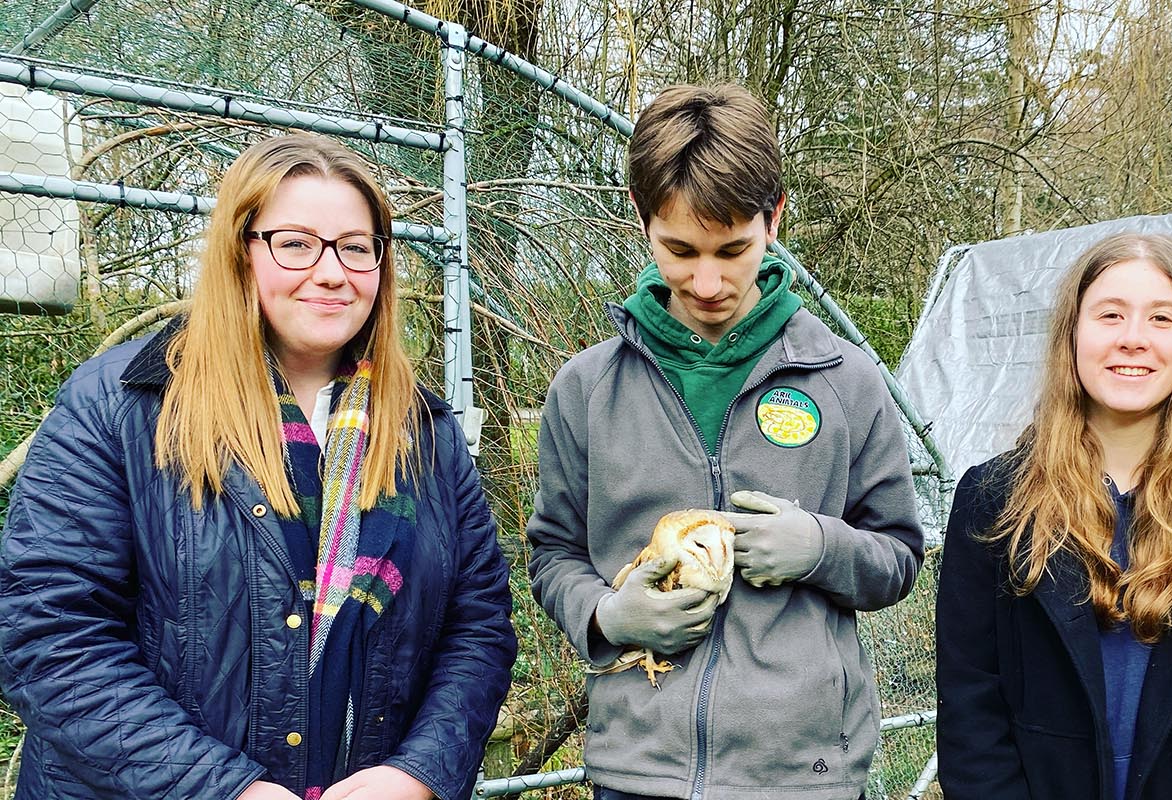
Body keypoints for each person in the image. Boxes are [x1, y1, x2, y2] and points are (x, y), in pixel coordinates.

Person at [0, 135, 518, 800]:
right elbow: (50, 634)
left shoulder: (423, 433)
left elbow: (476, 628)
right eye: (296, 243)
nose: (332, 272)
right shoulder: (121, 407)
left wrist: (417, 772)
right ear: (241, 252)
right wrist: (224, 788)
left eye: (356, 247)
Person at [525, 83, 924, 800]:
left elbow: (897, 555)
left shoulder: (848, 380)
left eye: (732, 249)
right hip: (639, 774)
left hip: (803, 777)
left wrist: (821, 548)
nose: (707, 281)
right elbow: (553, 552)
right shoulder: (585, 390)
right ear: (642, 218)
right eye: (679, 249)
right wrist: (606, 614)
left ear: (775, 219)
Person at [935, 232, 1172, 800]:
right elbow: (969, 704)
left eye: (1161, 318)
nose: (1133, 339)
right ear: (1073, 335)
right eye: (1110, 315)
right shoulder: (994, 498)